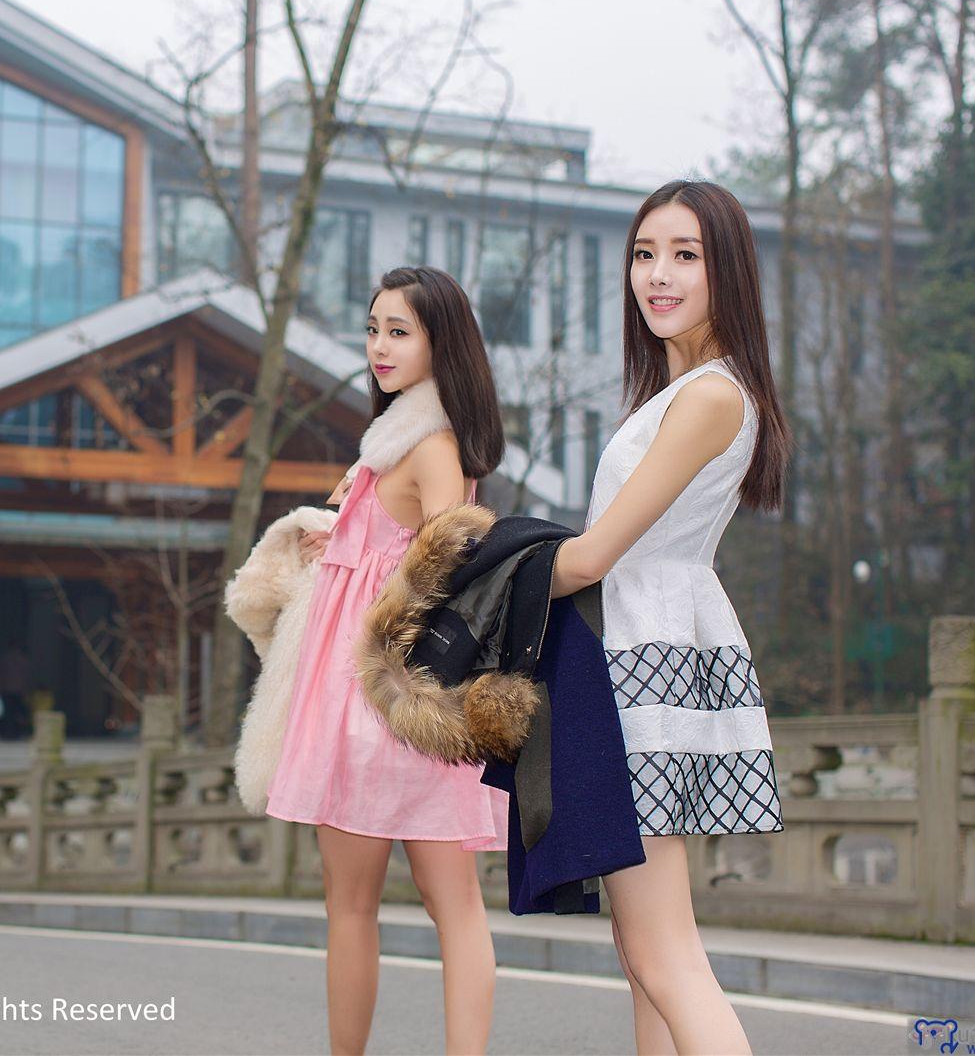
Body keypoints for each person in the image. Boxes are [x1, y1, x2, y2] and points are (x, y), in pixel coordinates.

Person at [548, 179, 791, 1055]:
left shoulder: (712, 397)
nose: (658, 275)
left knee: (662, 950)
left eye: (684, 255)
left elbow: (588, 557)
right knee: (644, 950)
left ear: (727, 269)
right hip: (642, 655)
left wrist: (463, 572)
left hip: (641, 664)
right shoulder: (689, 389)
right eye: (645, 255)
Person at [266, 265, 509, 1056]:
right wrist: (338, 540)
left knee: (361, 907)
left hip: (381, 699)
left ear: (442, 343)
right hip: (398, 700)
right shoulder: (398, 441)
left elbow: (452, 562)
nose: (378, 345)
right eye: (373, 328)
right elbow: (405, 551)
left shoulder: (427, 442)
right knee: (446, 905)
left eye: (398, 331)